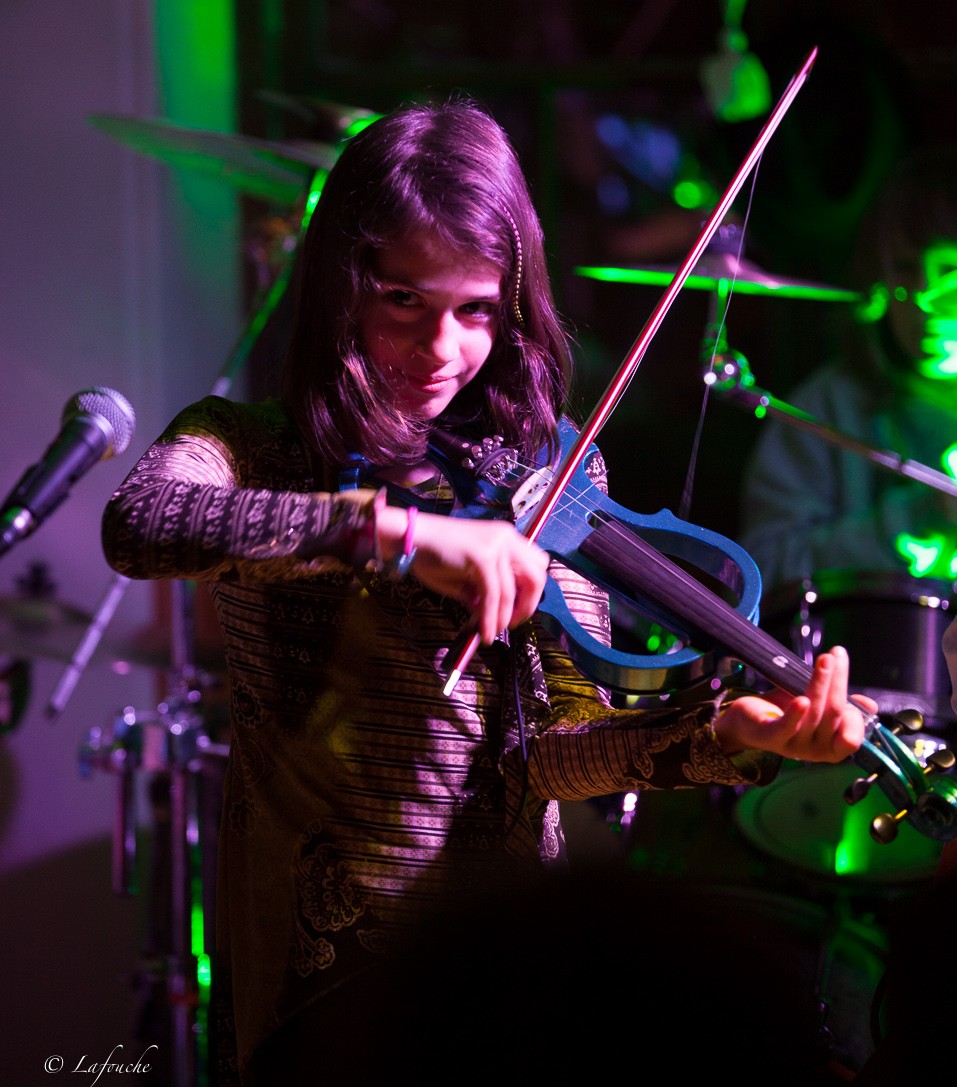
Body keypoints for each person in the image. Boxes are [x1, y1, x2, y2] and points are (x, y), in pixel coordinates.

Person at [101, 99, 870, 1086]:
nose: (440, 347)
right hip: (314, 980)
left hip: (498, 969)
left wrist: (724, 737)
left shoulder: (549, 479)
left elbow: (548, 757)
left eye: (475, 310)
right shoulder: (249, 445)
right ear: (340, 288)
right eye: (402, 299)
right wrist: (394, 532)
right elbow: (142, 522)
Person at [739, 146, 957, 594]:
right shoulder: (826, 409)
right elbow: (759, 572)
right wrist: (912, 523)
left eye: (949, 269)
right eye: (906, 269)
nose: (922, 297)